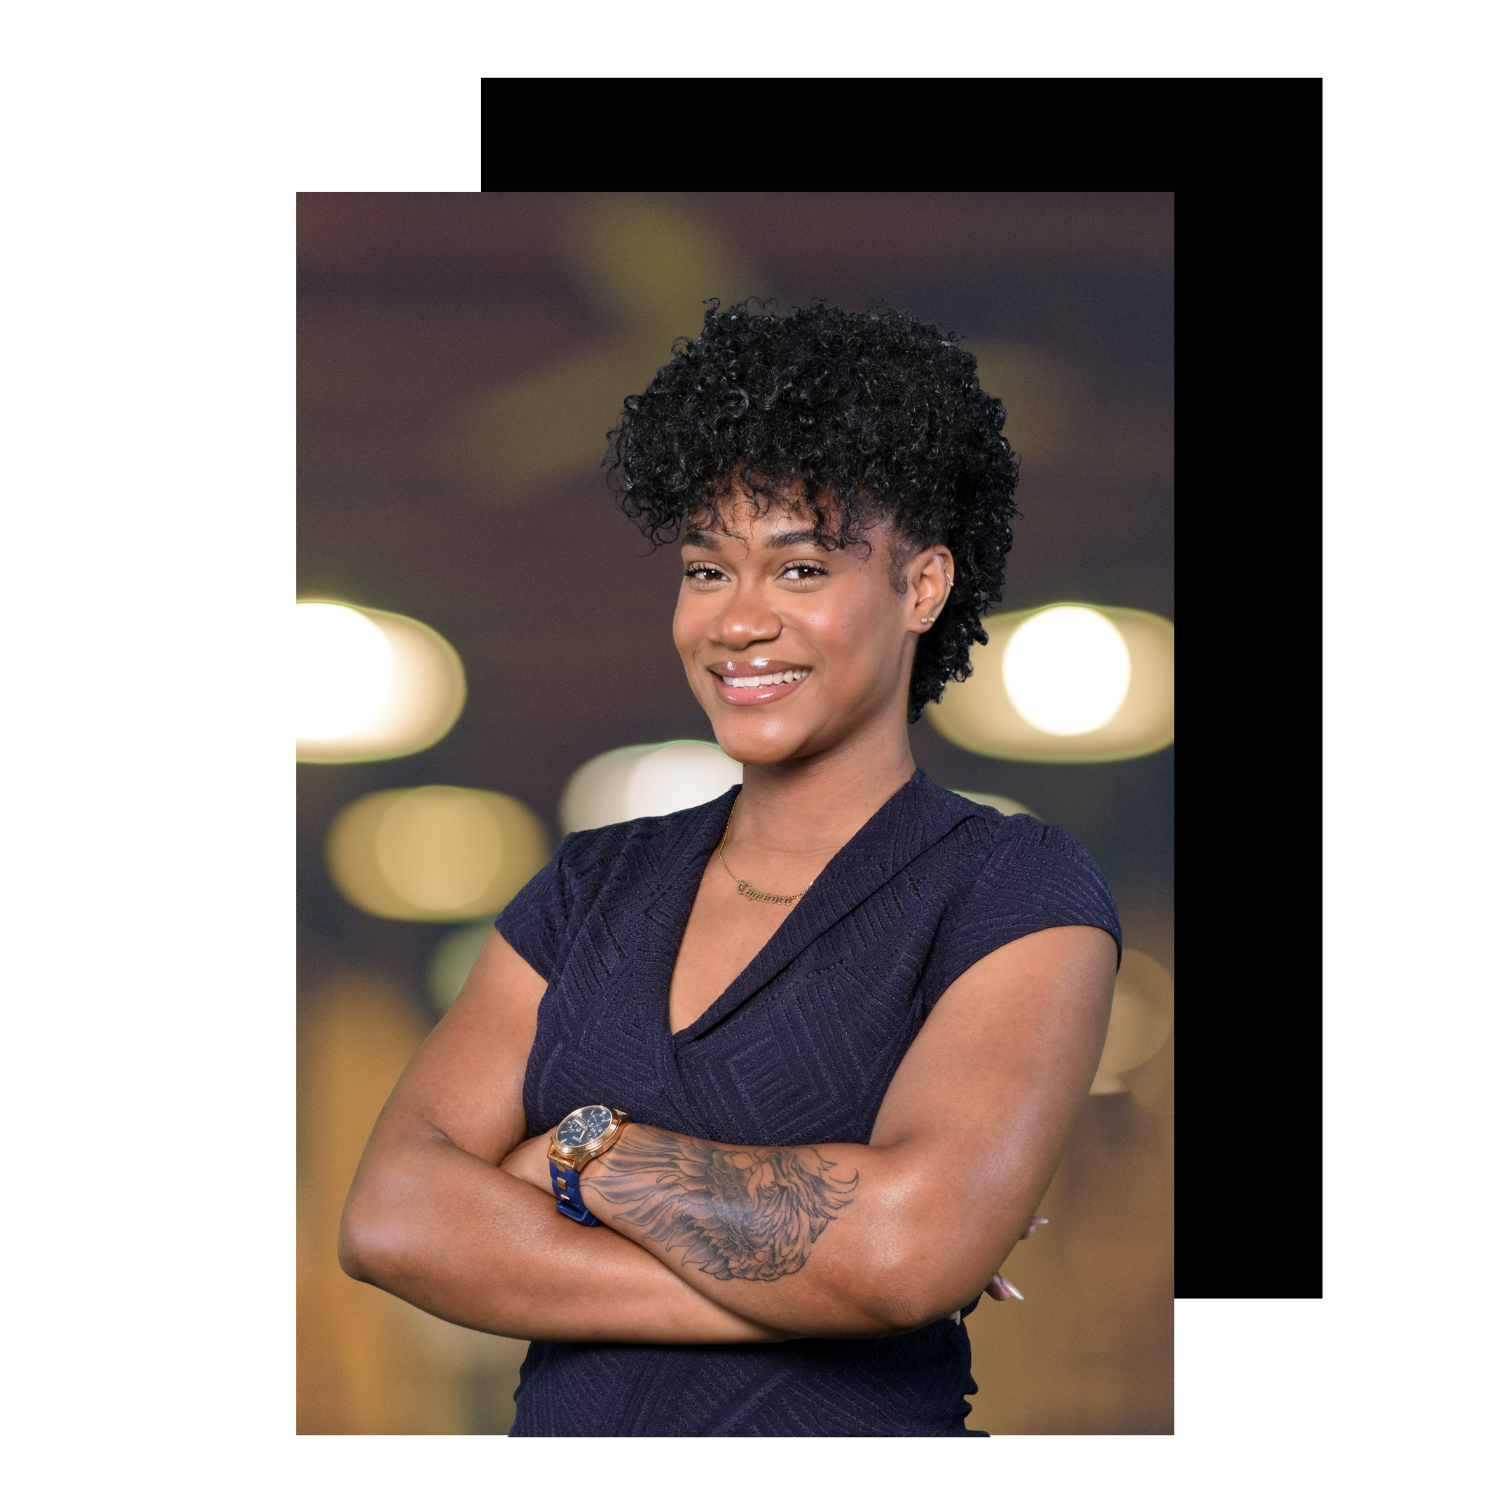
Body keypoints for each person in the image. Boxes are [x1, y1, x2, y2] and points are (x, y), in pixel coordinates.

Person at [339, 300, 1121, 1438]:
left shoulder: (1011, 889)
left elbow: (905, 1251)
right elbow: (395, 1219)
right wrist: (818, 1290)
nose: (737, 622)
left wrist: (580, 1151)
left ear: (922, 588)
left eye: (800, 571)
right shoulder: (587, 890)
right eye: (708, 571)